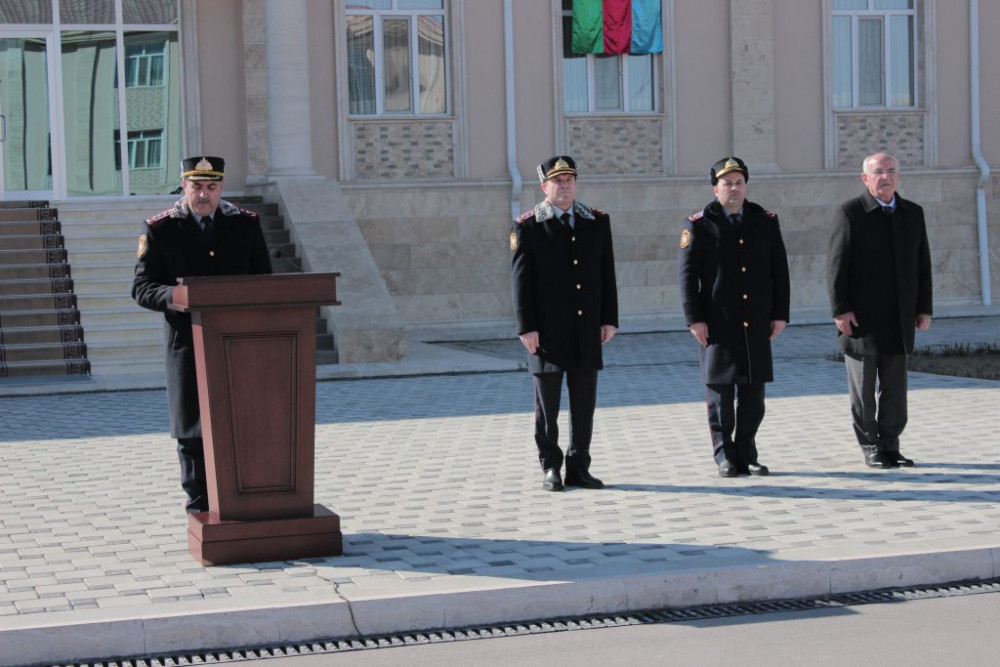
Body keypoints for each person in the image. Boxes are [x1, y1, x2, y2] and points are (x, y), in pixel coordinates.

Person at [132, 156, 273, 513]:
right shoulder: (160, 228)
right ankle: (199, 502)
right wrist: (174, 296)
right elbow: (142, 287)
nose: (204, 195)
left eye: (212, 187)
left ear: (222, 187)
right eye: (197, 187)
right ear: (184, 185)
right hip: (187, 342)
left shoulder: (245, 224)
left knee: (240, 421)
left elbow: (264, 281)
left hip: (239, 343)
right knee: (192, 427)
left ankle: (242, 494)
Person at [510, 156, 619, 491]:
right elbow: (520, 282)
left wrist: (609, 319)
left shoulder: (596, 221)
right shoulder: (528, 225)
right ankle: (551, 467)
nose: (565, 185)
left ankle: (579, 466)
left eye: (570, 179)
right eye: (557, 181)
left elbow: (606, 274)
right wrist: (526, 327)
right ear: (544, 186)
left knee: (584, 403)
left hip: (586, 330)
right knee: (549, 406)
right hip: (547, 332)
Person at [678, 157, 790, 477]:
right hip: (718, 323)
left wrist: (779, 314)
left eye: (739, 182)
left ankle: (747, 452)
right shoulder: (698, 224)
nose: (734, 188)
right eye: (727, 183)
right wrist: (694, 319)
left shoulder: (764, 220)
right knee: (721, 396)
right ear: (715, 188)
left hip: (755, 322)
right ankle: (724, 455)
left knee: (754, 396)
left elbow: (778, 271)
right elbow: (687, 277)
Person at [827, 151, 932, 469]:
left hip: (899, 318)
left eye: (891, 171)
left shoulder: (913, 213)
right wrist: (841, 309)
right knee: (863, 389)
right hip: (861, 320)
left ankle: (890, 444)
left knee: (895, 389)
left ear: (898, 176)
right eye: (878, 172)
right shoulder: (851, 212)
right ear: (865, 178)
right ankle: (870, 446)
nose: (885, 177)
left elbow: (922, 264)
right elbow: (836, 266)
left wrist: (923, 308)